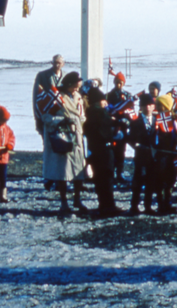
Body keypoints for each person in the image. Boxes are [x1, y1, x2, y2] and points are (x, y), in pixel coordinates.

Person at [43, 71, 87, 216]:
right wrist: (61, 120)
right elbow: (46, 117)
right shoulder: (57, 98)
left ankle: (77, 199)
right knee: (63, 172)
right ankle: (63, 202)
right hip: (63, 139)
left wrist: (81, 121)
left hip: (77, 138)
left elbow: (81, 116)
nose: (76, 89)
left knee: (78, 171)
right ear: (68, 85)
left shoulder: (78, 97)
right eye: (75, 86)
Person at [84, 88, 121, 217]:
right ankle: (109, 206)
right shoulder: (100, 114)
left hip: (95, 150)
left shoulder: (89, 113)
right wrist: (117, 125)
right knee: (107, 178)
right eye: (103, 100)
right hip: (104, 150)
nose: (105, 103)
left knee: (99, 179)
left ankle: (103, 205)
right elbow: (107, 130)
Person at [127, 93, 159, 214]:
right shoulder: (136, 122)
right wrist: (135, 146)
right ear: (141, 107)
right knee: (138, 182)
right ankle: (134, 206)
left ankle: (148, 206)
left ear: (153, 106)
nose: (148, 108)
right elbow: (130, 138)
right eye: (145, 105)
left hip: (153, 157)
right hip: (140, 157)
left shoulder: (157, 121)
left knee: (151, 182)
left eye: (150, 105)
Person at [105, 72, 132, 183]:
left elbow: (131, 111)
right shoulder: (108, 95)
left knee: (121, 150)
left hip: (123, 126)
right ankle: (110, 172)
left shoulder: (127, 96)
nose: (119, 85)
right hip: (111, 126)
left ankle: (120, 172)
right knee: (111, 151)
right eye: (117, 82)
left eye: (121, 83)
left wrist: (127, 120)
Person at [33, 54, 66, 139]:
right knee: (47, 139)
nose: (56, 65)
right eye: (54, 63)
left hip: (61, 112)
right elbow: (35, 96)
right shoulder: (42, 75)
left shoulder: (66, 76)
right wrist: (37, 116)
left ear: (63, 64)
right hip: (47, 112)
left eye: (59, 63)